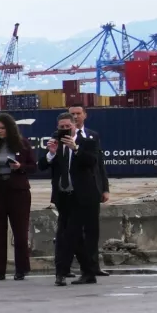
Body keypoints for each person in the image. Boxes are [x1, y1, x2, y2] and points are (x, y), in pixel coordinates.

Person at [40, 112, 108, 287]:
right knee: (71, 236)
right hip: (64, 197)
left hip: (82, 197)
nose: (64, 130)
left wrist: (75, 148)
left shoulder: (87, 142)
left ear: (74, 126)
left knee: (68, 236)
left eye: (67, 127)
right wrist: (51, 154)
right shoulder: (56, 144)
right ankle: (87, 272)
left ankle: (61, 273)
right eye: (61, 127)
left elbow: (92, 162)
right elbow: (41, 166)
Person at [0, 113, 36, 281]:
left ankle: (21, 269)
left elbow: (33, 167)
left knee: (20, 231)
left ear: (9, 128)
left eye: (2, 128)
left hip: (17, 191)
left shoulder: (22, 144)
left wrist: (20, 166)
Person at [68, 103, 110, 277]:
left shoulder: (93, 136)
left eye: (78, 113)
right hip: (72, 191)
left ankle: (94, 266)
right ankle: (68, 266)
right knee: (71, 230)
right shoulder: (63, 137)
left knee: (93, 230)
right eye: (72, 114)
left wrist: (105, 188)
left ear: (85, 115)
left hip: (92, 190)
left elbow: (99, 164)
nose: (76, 117)